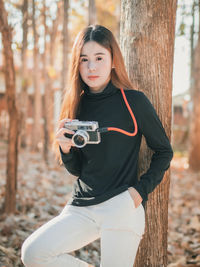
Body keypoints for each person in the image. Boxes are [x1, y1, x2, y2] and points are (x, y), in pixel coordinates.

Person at [21, 24, 173, 267]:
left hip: (122, 205)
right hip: (81, 206)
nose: (91, 67)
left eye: (99, 58)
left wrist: (138, 192)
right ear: (77, 64)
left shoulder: (133, 101)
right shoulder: (76, 105)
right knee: (33, 254)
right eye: (84, 60)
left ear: (113, 60)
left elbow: (164, 151)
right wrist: (66, 150)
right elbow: (78, 170)